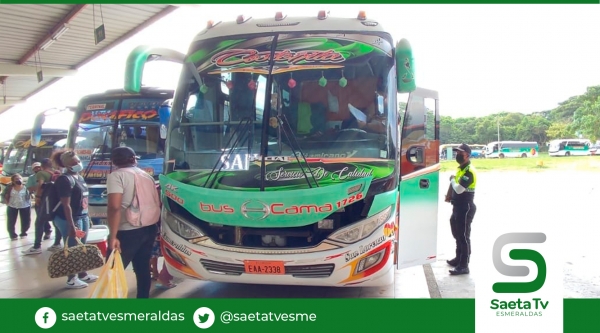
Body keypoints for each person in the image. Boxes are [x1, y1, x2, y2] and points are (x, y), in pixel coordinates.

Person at [106, 146, 159, 298]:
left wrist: (113, 235)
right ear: (134, 159)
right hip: (149, 228)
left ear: (114, 161)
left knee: (112, 269)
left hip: (127, 230)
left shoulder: (116, 176)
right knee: (142, 268)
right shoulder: (146, 175)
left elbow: (114, 207)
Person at [50, 149, 98, 289]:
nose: (78, 164)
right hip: (69, 219)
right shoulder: (64, 180)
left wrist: (87, 216)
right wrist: (71, 226)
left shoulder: (80, 177)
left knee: (81, 246)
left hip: (81, 216)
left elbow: (83, 199)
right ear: (67, 165)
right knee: (72, 247)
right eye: (74, 163)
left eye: (78, 161)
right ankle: (71, 278)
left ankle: (82, 274)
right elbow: (66, 205)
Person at [445, 143, 477, 275]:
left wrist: (452, 180)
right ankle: (458, 258)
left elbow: (459, 189)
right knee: (457, 233)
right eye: (457, 152)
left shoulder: (469, 171)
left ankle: (464, 265)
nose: (457, 155)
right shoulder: (461, 169)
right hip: (457, 206)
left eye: (460, 153)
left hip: (466, 207)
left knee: (464, 236)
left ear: (467, 155)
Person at [22, 159, 63, 255]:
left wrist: (37, 197)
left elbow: (41, 185)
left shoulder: (41, 173)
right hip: (55, 201)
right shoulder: (56, 173)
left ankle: (37, 246)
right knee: (56, 222)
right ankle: (57, 243)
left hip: (44, 201)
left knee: (39, 222)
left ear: (42, 166)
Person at [2, 174, 31, 240]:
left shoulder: (26, 187)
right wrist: (5, 201)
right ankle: (12, 235)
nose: (18, 180)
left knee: (26, 220)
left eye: (20, 178)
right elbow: (3, 195)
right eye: (16, 179)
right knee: (11, 221)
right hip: (12, 206)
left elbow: (32, 193)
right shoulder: (9, 187)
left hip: (25, 205)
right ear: (13, 181)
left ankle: (23, 232)